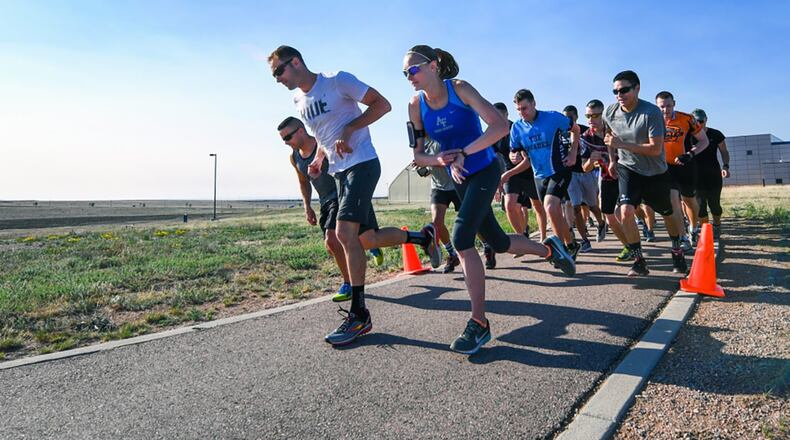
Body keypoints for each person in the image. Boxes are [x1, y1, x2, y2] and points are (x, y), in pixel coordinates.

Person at [404, 45, 575, 355]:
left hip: (484, 170)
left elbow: (499, 127)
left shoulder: (459, 89)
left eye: (412, 70)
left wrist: (464, 153)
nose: (408, 77)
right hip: (458, 178)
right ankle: (550, 249)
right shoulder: (415, 106)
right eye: (404, 73)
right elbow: (417, 156)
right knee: (496, 242)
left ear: (431, 66)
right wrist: (440, 159)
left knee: (462, 238)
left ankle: (479, 324)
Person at [269, 45, 442, 346]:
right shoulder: (299, 100)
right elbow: (324, 136)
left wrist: (350, 129)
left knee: (343, 234)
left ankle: (359, 314)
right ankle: (422, 237)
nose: (277, 79)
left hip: (362, 163)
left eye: (278, 71)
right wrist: (320, 159)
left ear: (295, 62)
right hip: (339, 172)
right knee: (367, 240)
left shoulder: (337, 81)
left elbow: (382, 105)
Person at [603, 70, 687, 276]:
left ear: (637, 89)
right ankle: (639, 260)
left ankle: (677, 250)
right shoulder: (610, 112)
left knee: (667, 213)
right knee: (625, 212)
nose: (619, 95)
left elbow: (655, 149)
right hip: (628, 168)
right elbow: (609, 137)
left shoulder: (651, 113)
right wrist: (613, 160)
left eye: (624, 90)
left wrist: (622, 144)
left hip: (655, 171)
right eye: (615, 91)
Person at [510, 89, 580, 258]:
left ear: (534, 103)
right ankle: (571, 244)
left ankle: (560, 250)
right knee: (552, 211)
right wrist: (513, 156)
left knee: (550, 205)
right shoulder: (517, 127)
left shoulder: (553, 118)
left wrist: (573, 153)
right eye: (518, 110)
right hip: (539, 175)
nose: (522, 113)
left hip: (559, 169)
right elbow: (515, 152)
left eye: (524, 108)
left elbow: (575, 129)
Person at [655, 91, 709, 249]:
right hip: (665, 167)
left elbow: (704, 141)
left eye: (668, 106)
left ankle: (693, 228)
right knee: (673, 201)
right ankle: (683, 236)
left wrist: (690, 153)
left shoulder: (687, 119)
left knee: (689, 200)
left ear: (674, 104)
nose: (665, 110)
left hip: (685, 165)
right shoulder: (652, 121)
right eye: (661, 107)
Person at [578, 100, 629, 254]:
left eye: (595, 115)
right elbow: (584, 168)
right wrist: (591, 161)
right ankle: (629, 246)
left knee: (624, 212)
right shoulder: (585, 138)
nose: (591, 120)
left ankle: (636, 243)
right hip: (607, 177)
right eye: (588, 116)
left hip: (626, 175)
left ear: (603, 114)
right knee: (608, 215)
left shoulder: (616, 129)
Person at [494, 102, 547, 246]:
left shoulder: (517, 129)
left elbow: (527, 162)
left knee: (537, 206)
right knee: (510, 205)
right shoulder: (493, 134)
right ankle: (522, 239)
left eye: (500, 116)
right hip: (511, 175)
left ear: (506, 115)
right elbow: (489, 160)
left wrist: (506, 175)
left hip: (529, 172)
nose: (496, 119)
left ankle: (543, 237)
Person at [414, 137, 462, 273]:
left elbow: (450, 160)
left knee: (469, 220)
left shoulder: (443, 136)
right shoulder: (422, 145)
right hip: (438, 187)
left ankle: (487, 246)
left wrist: (429, 162)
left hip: (456, 183)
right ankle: (451, 254)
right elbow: (426, 170)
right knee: (437, 223)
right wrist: (421, 167)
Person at [564, 105, 605, 251]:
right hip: (570, 175)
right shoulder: (560, 132)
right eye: (565, 117)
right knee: (575, 207)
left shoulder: (584, 131)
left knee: (592, 205)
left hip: (586, 172)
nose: (567, 119)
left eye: (569, 117)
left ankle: (601, 223)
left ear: (576, 117)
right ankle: (584, 240)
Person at [690, 108, 729, 239]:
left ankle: (717, 225)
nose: (699, 124)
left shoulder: (715, 134)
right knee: (700, 207)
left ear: (706, 120)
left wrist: (726, 166)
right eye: (696, 121)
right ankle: (706, 232)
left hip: (713, 174)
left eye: (701, 121)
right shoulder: (688, 135)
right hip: (696, 175)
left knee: (715, 205)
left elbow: (724, 151)